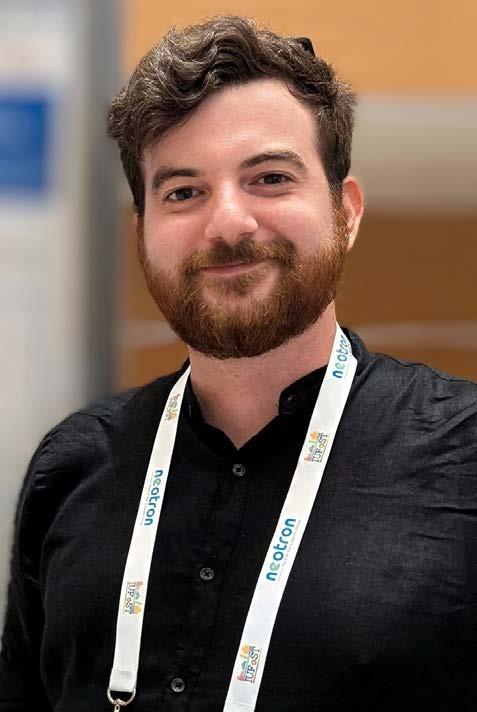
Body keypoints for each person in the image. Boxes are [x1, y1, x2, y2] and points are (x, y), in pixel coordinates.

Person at [1, 14, 476, 712]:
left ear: (346, 212)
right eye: (183, 192)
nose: (227, 222)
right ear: (143, 233)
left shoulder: (462, 455)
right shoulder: (71, 467)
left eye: (270, 178)